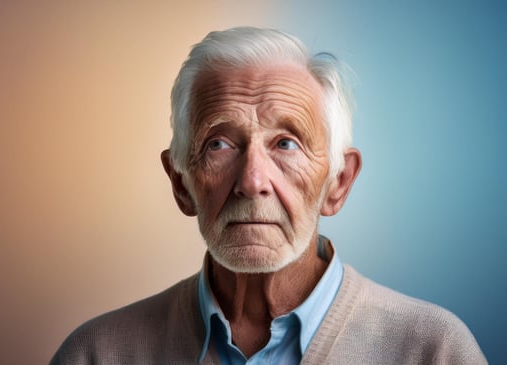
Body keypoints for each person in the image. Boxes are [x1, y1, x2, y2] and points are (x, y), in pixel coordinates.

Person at [51, 27, 486, 364]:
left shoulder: (434, 349)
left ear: (338, 183)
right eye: (218, 144)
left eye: (286, 143)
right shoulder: (97, 353)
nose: (252, 180)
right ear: (181, 183)